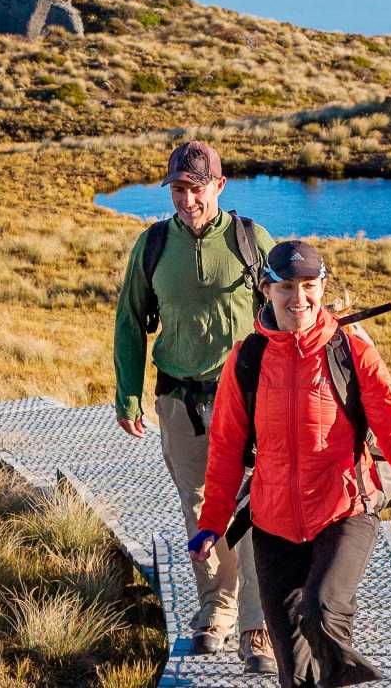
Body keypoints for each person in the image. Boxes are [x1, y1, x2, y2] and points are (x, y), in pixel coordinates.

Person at [190, 240, 391, 688]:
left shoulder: (351, 352)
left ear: (322, 287)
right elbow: (225, 449)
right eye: (286, 286)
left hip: (343, 511)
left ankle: (344, 678)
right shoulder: (247, 360)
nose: (298, 298)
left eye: (308, 286)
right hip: (272, 522)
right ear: (266, 288)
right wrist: (211, 523)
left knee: (322, 611)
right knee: (293, 669)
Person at [112, 140, 277, 673]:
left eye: (197, 188)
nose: (187, 200)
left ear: (220, 187)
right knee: (200, 508)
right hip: (179, 401)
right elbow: (130, 320)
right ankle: (215, 610)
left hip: (246, 403)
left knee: (250, 511)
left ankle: (256, 625)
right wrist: (128, 393)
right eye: (179, 189)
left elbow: (290, 313)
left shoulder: (252, 242)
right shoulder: (153, 245)